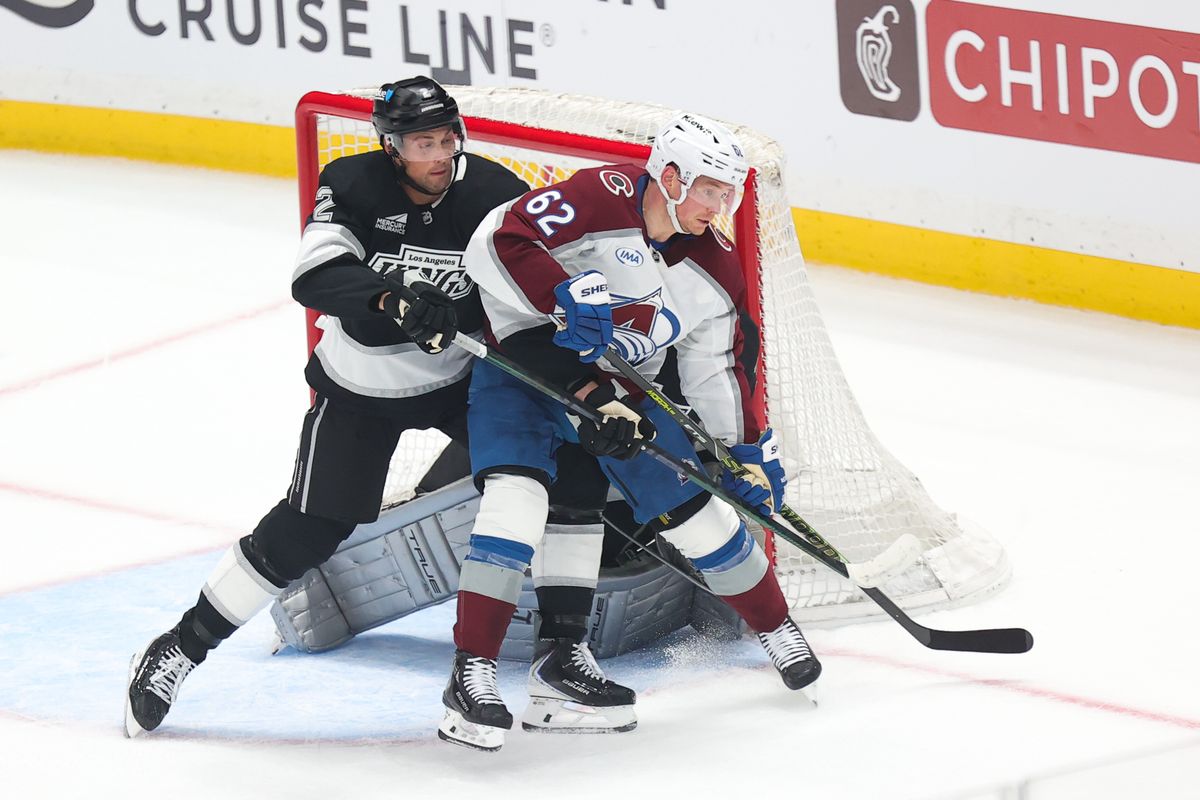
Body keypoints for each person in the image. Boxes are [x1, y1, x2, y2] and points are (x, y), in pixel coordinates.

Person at [122, 77, 616, 737]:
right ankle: (179, 648)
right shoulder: (351, 182)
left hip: (460, 383)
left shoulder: (493, 191)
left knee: (568, 474)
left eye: (445, 139)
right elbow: (314, 276)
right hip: (359, 387)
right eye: (421, 143)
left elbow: (530, 282)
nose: (438, 154)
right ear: (391, 148)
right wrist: (392, 297)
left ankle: (560, 657)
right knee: (309, 530)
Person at [440, 112, 822, 752]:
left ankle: (774, 630)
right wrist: (561, 294)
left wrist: (741, 452)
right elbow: (501, 241)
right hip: (523, 373)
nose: (719, 208)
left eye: (726, 193)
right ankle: (470, 673)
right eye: (709, 190)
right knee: (515, 506)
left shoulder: (714, 266)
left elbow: (716, 366)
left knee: (697, 517)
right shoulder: (599, 197)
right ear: (670, 178)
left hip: (623, 396)